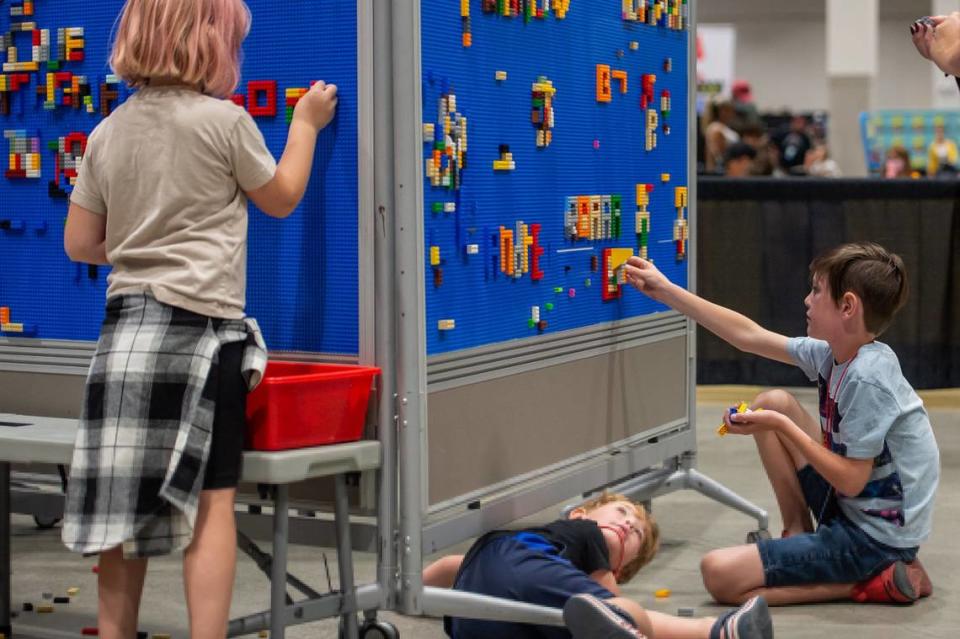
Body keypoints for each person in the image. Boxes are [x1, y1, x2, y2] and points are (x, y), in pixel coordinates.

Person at [60, 1, 338, 638]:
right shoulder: (225, 122)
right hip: (202, 339)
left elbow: (80, 242)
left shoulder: (108, 131)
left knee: (117, 508)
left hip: (124, 336)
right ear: (210, 42)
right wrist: (305, 124)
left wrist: (140, 243)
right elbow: (283, 196)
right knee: (213, 503)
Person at [622, 243, 939, 607]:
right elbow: (748, 336)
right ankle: (798, 531)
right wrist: (664, 290)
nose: (807, 300)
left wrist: (780, 426)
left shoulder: (868, 378)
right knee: (774, 402)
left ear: (848, 307)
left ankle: (876, 579)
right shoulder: (834, 353)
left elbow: (851, 479)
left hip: (876, 538)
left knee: (718, 574)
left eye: (817, 290)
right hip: (854, 508)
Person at [424, 492, 774, 639]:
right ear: (579, 514)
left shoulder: (563, 576)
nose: (627, 524)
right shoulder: (585, 533)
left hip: (470, 623)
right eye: (621, 512)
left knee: (583, 617)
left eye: (635, 532)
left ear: (621, 567)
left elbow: (449, 568)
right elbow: (609, 601)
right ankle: (714, 630)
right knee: (624, 611)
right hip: (510, 558)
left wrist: (406, 591)